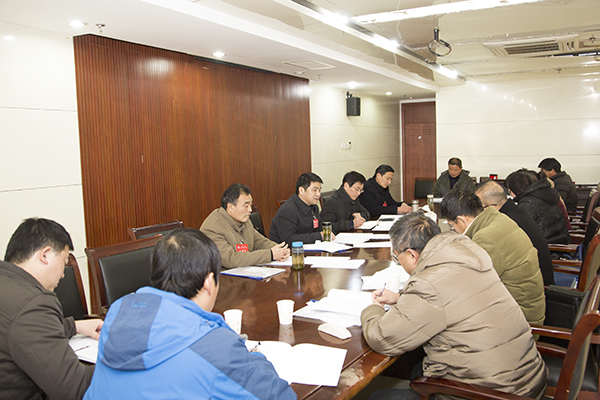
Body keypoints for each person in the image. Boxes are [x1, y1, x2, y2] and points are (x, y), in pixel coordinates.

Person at [83, 229, 296, 400]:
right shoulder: (213, 344)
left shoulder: (116, 314)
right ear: (209, 283)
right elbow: (281, 395)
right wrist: (255, 357)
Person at [361, 213, 547, 400]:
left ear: (412, 255)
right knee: (418, 368)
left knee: (377, 397)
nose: (398, 262)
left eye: (397, 257)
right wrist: (402, 297)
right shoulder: (468, 256)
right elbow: (452, 298)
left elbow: (382, 338)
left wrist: (373, 309)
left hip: (491, 393)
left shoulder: (428, 284)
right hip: (527, 379)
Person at [0, 218, 103, 400]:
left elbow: (21, 331)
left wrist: (75, 326)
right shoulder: (33, 302)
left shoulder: (8, 285)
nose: (63, 275)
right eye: (64, 262)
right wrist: (120, 360)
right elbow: (76, 388)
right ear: (45, 255)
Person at [441, 190, 545, 325]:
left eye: (451, 225)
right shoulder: (497, 219)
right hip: (523, 306)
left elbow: (471, 287)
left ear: (461, 220)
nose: (453, 230)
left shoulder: (485, 239)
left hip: (519, 320)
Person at [476, 180, 555, 285]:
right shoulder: (517, 211)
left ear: (491, 207)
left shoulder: (506, 221)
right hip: (538, 277)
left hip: (534, 284)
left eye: (480, 208)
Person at [201, 183, 289, 269]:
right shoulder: (212, 228)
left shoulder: (244, 220)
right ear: (230, 207)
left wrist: (280, 249)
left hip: (245, 272)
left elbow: (260, 242)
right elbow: (231, 259)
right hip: (223, 276)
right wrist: (270, 254)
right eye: (246, 206)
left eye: (250, 205)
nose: (250, 210)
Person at [506, 169, 570, 245]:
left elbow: (517, 228)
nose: (511, 195)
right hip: (558, 241)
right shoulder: (544, 194)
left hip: (546, 246)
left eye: (510, 191)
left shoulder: (529, 202)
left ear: (517, 189)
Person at [270, 172, 334, 245]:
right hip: (289, 250)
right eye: (314, 190)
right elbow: (289, 239)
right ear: (301, 191)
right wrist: (319, 236)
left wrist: (327, 232)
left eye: (319, 190)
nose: (318, 194)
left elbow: (319, 227)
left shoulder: (313, 207)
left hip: (310, 247)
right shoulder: (287, 210)